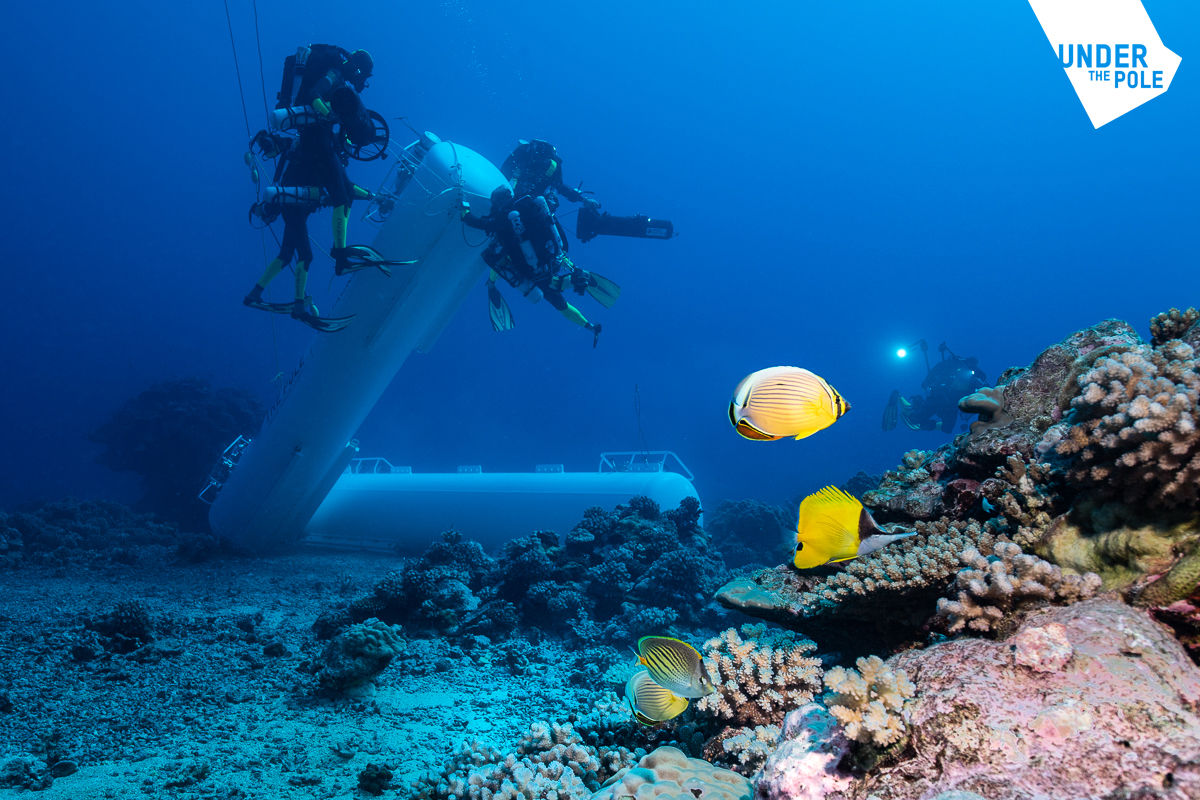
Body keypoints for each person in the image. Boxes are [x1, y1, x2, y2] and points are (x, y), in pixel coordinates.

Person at [462, 185, 605, 346]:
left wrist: (463, 207)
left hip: (534, 270)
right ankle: (585, 312)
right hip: (553, 256)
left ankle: (574, 293)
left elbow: (472, 221)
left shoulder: (501, 218)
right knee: (559, 300)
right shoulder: (530, 207)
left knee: (557, 301)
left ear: (496, 203)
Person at [279, 44, 375, 275]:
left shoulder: (340, 79)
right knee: (340, 197)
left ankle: (341, 258)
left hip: (323, 139)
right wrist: (329, 114)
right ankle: (339, 254)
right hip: (316, 141)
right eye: (363, 75)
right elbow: (314, 96)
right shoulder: (336, 73)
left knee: (348, 194)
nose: (361, 81)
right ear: (358, 68)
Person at [883, 344, 987, 433]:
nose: (968, 377)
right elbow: (927, 382)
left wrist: (979, 385)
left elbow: (989, 393)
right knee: (915, 418)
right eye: (967, 373)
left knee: (947, 429)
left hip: (952, 405)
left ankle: (923, 424)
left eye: (973, 373)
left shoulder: (976, 382)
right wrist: (931, 390)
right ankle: (898, 396)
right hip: (939, 398)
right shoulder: (951, 371)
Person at [500, 140, 600, 214]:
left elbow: (560, 187)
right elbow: (504, 173)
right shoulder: (525, 154)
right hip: (522, 197)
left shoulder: (552, 166)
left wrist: (583, 200)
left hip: (530, 201)